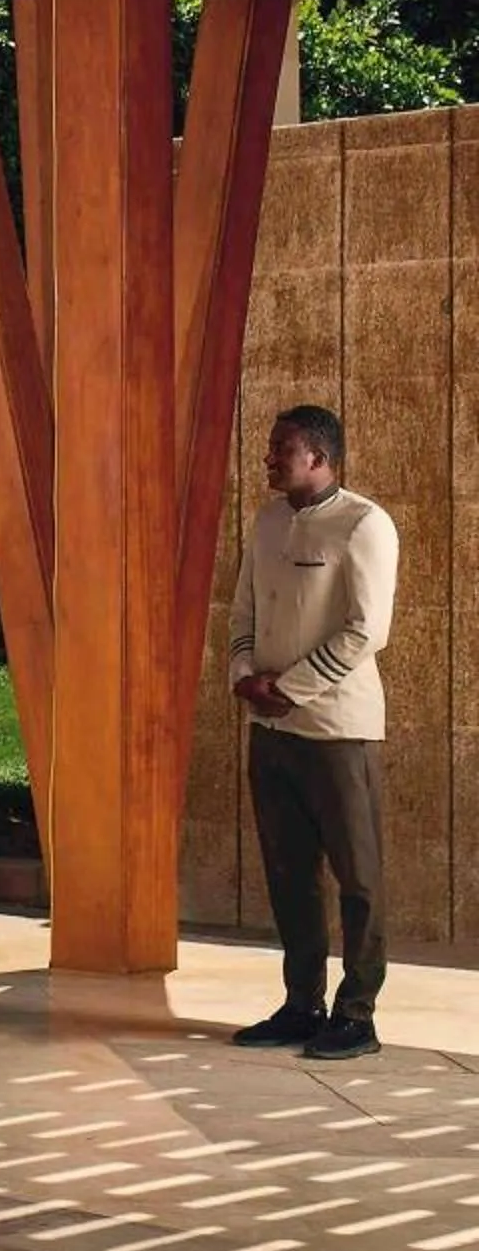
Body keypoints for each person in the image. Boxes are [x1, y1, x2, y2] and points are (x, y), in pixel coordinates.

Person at [227, 404, 397, 1062]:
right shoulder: (268, 521)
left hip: (339, 730)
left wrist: (287, 689)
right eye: (271, 447)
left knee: (359, 878)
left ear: (321, 457)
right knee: (289, 873)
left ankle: (358, 1014)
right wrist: (245, 675)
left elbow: (366, 630)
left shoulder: (364, 525)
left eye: (282, 449)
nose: (269, 458)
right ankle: (303, 1005)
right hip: (269, 731)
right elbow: (242, 608)